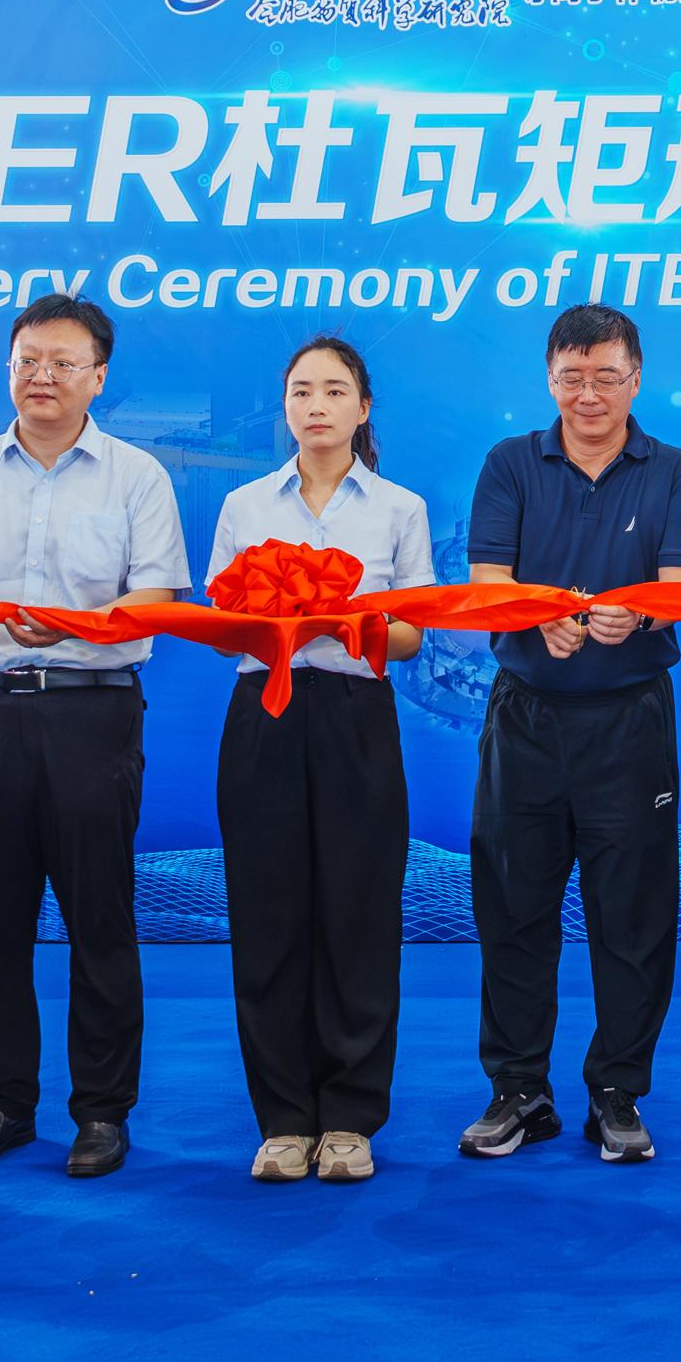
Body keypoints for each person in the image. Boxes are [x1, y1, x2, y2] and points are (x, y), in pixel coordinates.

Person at [0, 293, 190, 1182]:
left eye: (64, 363)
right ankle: (6, 1102)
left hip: (90, 712)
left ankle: (102, 1111)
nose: (43, 376)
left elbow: (157, 596)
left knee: (99, 916)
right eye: (28, 360)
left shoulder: (137, 475)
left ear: (98, 377)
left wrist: (75, 626)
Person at [460, 304, 681, 1165]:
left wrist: (636, 613)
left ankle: (618, 1093)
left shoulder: (671, 469)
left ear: (636, 380)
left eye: (607, 376)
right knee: (512, 908)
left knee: (633, 915)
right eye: (572, 377)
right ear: (549, 379)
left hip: (629, 721)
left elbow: (680, 583)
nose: (589, 393)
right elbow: (487, 578)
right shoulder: (510, 462)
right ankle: (518, 1090)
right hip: (526, 717)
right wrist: (535, 616)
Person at [207, 337, 426, 1186]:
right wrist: (273, 619)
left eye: (335, 391)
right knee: (268, 913)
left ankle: (350, 1118)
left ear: (363, 407)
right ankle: (283, 1119)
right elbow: (223, 625)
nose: (317, 405)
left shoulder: (398, 508)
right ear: (285, 406)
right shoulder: (243, 505)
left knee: (358, 914)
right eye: (302, 391)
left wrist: (349, 621)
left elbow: (410, 637)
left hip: (355, 716)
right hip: (264, 714)